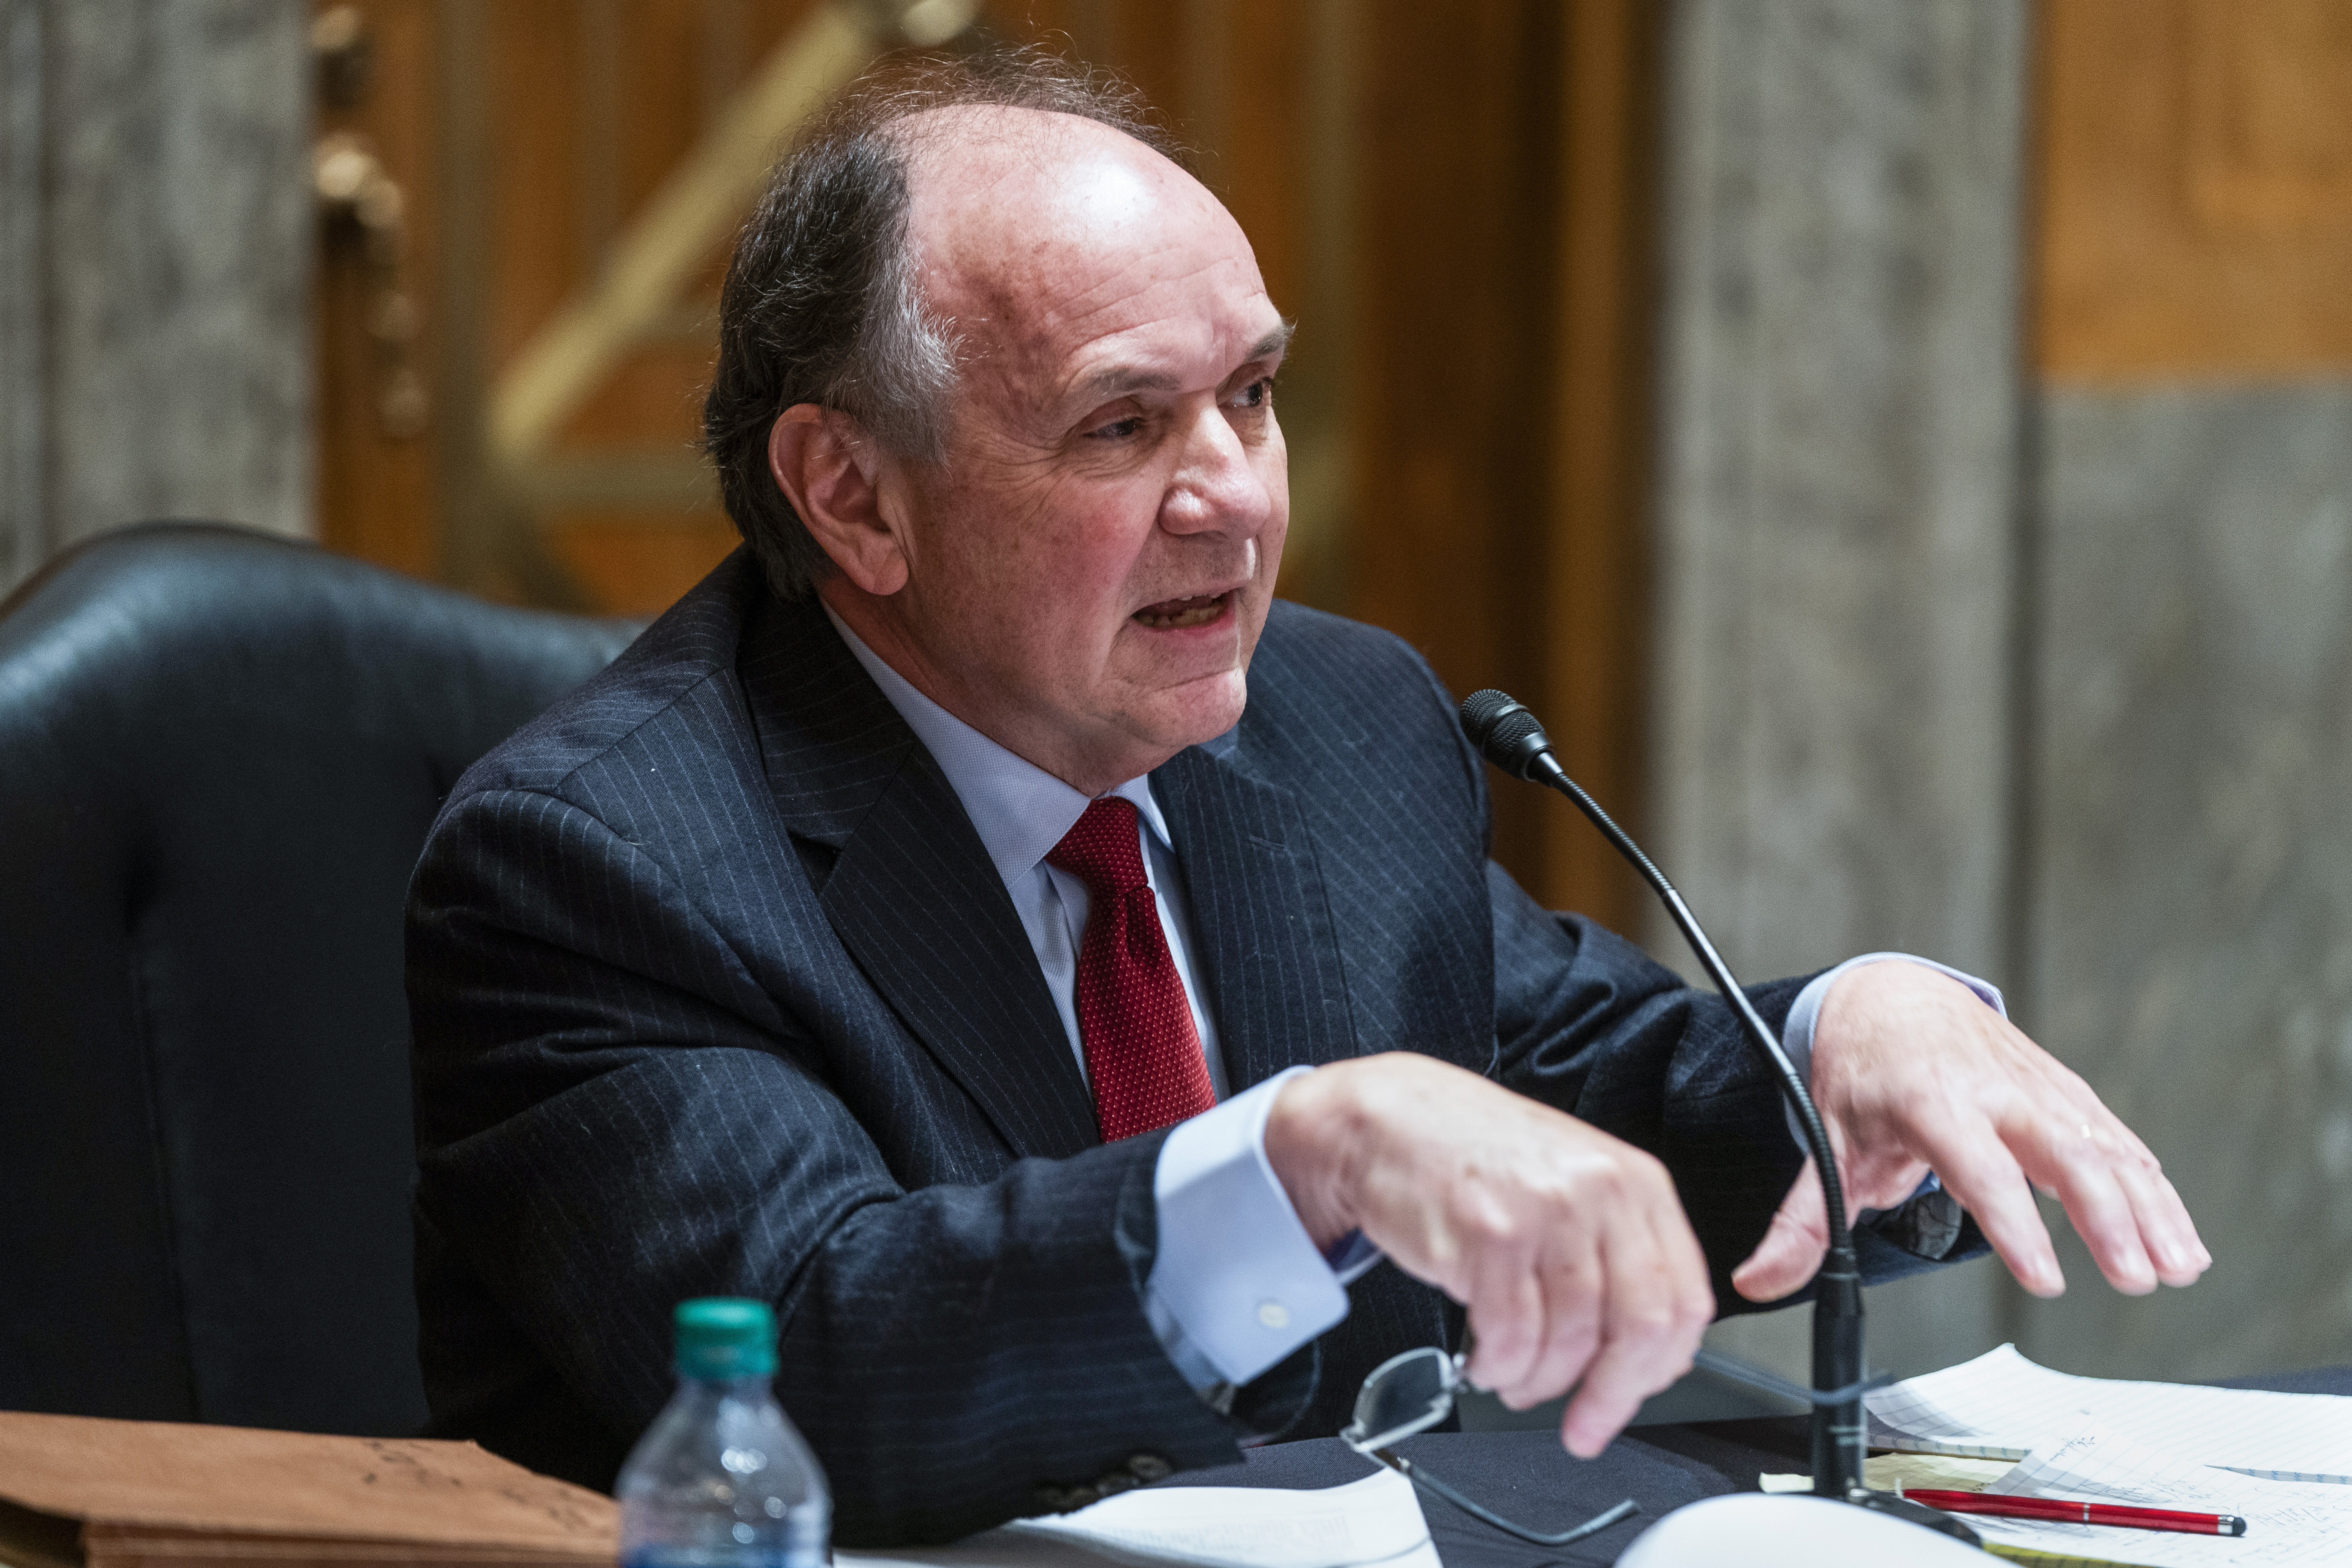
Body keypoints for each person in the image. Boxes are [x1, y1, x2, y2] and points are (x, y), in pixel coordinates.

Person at [405, 51, 2207, 1548]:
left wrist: (1843, 1045)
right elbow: (822, 1363)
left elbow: (1571, 1104)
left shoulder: (1340, 722)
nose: (1233, 499)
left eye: (1251, 397)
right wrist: (1300, 1158)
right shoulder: (599, 865)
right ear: (855, 498)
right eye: (1123, 427)